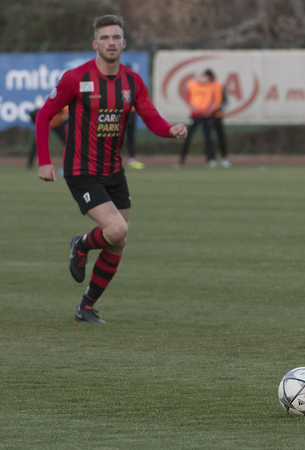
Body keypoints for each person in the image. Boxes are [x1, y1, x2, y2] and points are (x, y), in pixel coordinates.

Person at [36, 14, 187, 323]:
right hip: (81, 170)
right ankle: (80, 244)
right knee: (116, 229)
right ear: (95, 44)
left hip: (113, 170)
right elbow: (43, 116)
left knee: (118, 241)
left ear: (124, 43)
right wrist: (44, 161)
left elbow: (151, 118)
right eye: (104, 38)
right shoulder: (75, 78)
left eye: (116, 37)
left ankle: (86, 307)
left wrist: (170, 130)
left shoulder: (133, 82)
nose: (111, 42)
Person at [179, 69, 224, 167]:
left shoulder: (212, 86)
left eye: (208, 78)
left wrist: (207, 110)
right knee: (188, 136)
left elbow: (214, 101)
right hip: (195, 115)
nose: (205, 79)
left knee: (208, 138)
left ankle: (211, 159)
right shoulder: (192, 84)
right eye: (204, 77)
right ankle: (182, 159)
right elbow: (188, 99)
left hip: (206, 116)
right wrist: (196, 109)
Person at [208, 70, 230, 168]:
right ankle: (211, 159)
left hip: (218, 115)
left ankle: (224, 158)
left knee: (221, 138)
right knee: (209, 139)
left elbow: (226, 100)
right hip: (207, 116)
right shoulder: (204, 87)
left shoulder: (219, 86)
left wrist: (218, 108)